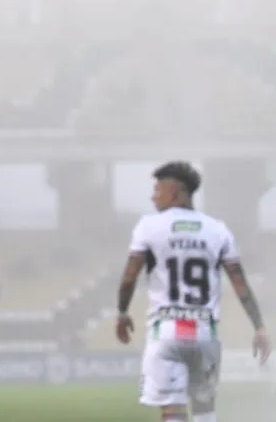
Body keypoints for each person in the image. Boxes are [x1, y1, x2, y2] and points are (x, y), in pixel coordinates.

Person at [115, 161, 270, 422]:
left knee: (172, 411)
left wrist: (122, 312)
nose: (153, 197)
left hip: (165, 332)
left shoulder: (149, 226)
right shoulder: (217, 229)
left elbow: (130, 277)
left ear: (174, 191)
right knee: (204, 410)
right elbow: (239, 283)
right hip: (204, 333)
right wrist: (259, 327)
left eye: (157, 190)